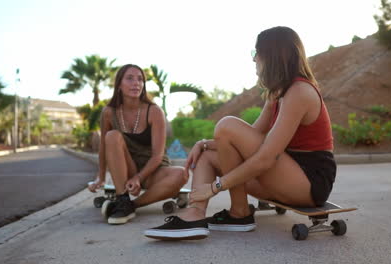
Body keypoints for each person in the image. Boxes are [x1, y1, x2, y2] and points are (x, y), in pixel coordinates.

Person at [144, 26, 336, 240]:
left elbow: (265, 158)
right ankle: (199, 215)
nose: (254, 60)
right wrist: (205, 144)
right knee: (208, 154)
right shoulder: (276, 94)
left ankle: (238, 213)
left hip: (308, 183)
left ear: (272, 56)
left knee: (227, 125)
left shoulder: (300, 91)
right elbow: (247, 140)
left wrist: (215, 187)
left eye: (256, 53)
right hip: (286, 174)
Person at [88, 64, 188, 225]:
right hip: (127, 168)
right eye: (130, 78)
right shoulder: (108, 112)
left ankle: (130, 205)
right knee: (112, 136)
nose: (136, 83)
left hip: (153, 170)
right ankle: (122, 197)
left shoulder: (154, 111)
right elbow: (104, 148)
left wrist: (139, 178)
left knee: (182, 174)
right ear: (119, 84)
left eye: (140, 79)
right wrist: (100, 177)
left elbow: (158, 155)